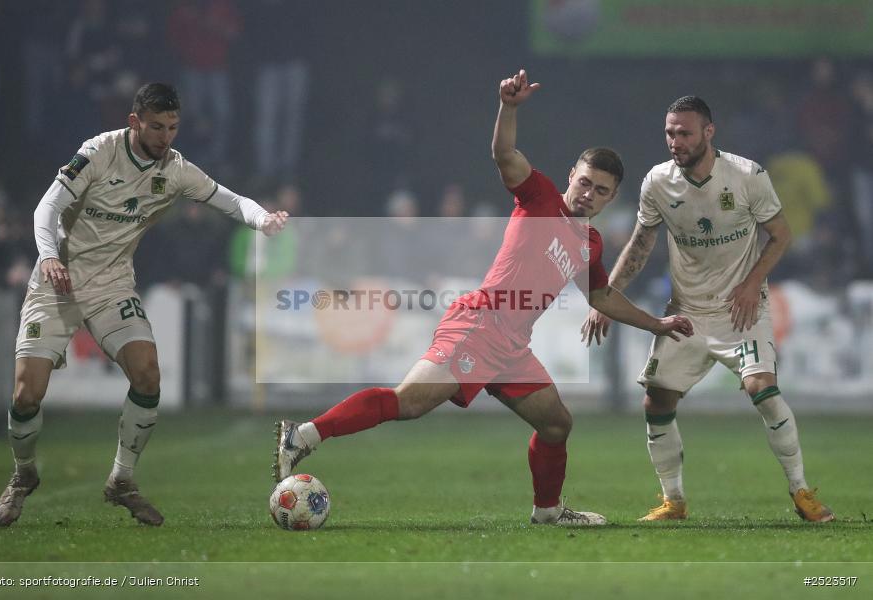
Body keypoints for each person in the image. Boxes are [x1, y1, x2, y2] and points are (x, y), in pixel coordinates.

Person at [273, 69, 693, 527]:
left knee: (556, 424)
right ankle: (307, 434)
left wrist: (657, 324)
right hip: (479, 325)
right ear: (571, 176)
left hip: (511, 347)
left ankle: (548, 512)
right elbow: (504, 153)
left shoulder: (588, 243)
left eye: (601, 191)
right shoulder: (541, 198)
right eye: (585, 182)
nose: (589, 194)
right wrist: (508, 108)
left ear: (611, 199)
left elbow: (602, 296)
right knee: (409, 402)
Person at [0, 83, 288, 527]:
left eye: (172, 127)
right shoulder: (98, 152)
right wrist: (50, 255)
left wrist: (263, 218)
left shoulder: (175, 169)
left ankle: (122, 480)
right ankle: (22, 476)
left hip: (112, 285)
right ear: (135, 122)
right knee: (26, 393)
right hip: (58, 281)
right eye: (156, 127)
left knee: (148, 374)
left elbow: (229, 199)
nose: (166, 136)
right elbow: (46, 208)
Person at [581, 96, 835, 522]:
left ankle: (802, 492)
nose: (675, 141)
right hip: (687, 311)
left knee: (763, 392)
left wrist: (753, 283)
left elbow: (780, 235)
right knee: (656, 401)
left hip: (741, 309)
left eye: (684, 133)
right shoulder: (657, 183)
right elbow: (641, 246)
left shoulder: (747, 175)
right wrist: (606, 297)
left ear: (708, 133)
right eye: (669, 133)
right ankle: (673, 502)